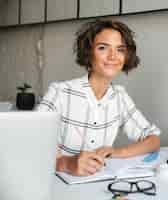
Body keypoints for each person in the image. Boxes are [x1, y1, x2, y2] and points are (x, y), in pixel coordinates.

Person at [37, 19, 161, 176]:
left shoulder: (120, 96)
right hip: (57, 184)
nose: (113, 56)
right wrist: (66, 163)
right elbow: (30, 143)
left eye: (120, 49)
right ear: (89, 53)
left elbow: (153, 140)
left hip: (100, 185)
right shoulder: (60, 92)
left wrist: (117, 153)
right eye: (103, 48)